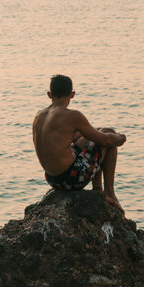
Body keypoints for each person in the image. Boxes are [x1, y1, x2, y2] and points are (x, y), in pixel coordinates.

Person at [33, 74, 126, 210]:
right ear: (72, 94)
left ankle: (98, 190)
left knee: (103, 130)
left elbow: (70, 137)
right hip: (70, 179)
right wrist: (121, 138)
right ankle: (108, 193)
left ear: (49, 94)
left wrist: (90, 134)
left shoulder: (39, 115)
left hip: (52, 179)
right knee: (109, 140)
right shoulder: (73, 116)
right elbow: (105, 140)